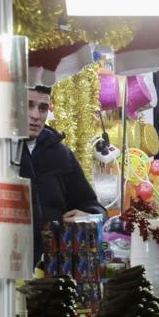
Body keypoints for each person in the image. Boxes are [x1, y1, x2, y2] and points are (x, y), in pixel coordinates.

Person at [17, 85, 104, 263]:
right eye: (28, 105)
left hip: (55, 270)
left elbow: (89, 203)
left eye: (42, 108)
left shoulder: (60, 154)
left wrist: (90, 215)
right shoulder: (1, 151)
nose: (36, 115)